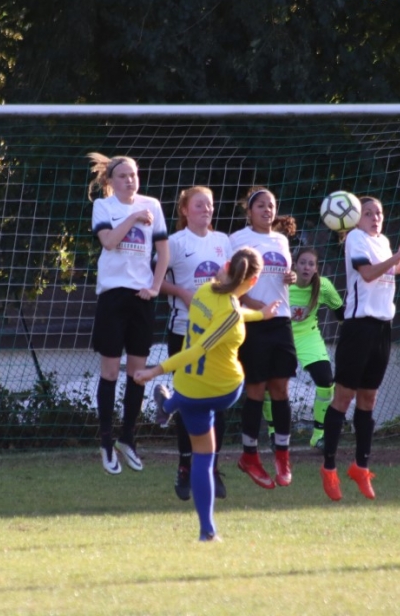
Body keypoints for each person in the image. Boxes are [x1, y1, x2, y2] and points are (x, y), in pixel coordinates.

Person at [135, 247, 280, 542]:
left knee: (201, 457)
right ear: (252, 281)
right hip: (222, 391)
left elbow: (230, 316)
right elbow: (210, 339)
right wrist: (154, 371)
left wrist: (260, 314)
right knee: (206, 455)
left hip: (189, 388)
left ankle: (207, 531)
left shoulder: (203, 292)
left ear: (225, 266)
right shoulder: (231, 314)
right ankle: (168, 406)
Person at [320, 196, 400, 501]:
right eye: (368, 213)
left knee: (369, 399)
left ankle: (360, 467)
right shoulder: (355, 238)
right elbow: (366, 273)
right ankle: (328, 468)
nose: (375, 217)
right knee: (343, 398)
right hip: (358, 328)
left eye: (379, 212)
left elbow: (383, 273)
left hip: (382, 328)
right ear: (355, 218)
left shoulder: (383, 241)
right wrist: (396, 257)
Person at [87, 152, 169, 475]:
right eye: (122, 175)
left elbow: (163, 253)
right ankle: (106, 442)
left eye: (133, 174)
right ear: (110, 180)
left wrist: (155, 287)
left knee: (138, 374)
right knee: (109, 373)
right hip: (112, 297)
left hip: (141, 299)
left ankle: (128, 439)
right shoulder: (103, 206)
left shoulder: (153, 205)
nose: (130, 180)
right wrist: (133, 218)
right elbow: (109, 242)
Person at [159, 186, 232, 501]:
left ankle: (212, 467)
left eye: (210, 205)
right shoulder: (175, 243)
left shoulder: (223, 241)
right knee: (188, 400)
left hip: (219, 332)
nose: (206, 209)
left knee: (221, 399)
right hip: (184, 331)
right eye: (199, 205)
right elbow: (154, 279)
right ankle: (185, 466)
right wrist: (182, 293)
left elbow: (233, 280)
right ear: (185, 210)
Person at [228, 187, 297, 489]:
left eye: (271, 205)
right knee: (256, 389)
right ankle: (249, 456)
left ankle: (282, 456)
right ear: (249, 211)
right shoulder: (237, 240)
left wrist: (292, 277)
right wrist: (251, 303)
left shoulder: (281, 240)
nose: (267, 210)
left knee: (280, 388)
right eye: (261, 206)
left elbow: (282, 277)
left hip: (280, 320)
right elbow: (230, 282)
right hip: (254, 321)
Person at [263, 246, 344, 450]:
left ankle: (319, 436)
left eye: (311, 264)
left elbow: (341, 313)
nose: (306, 267)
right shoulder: (283, 283)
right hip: (282, 336)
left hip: (308, 337)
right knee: (269, 385)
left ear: (316, 268)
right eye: (303, 263)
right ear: (295, 265)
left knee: (326, 382)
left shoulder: (324, 286)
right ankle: (273, 432)